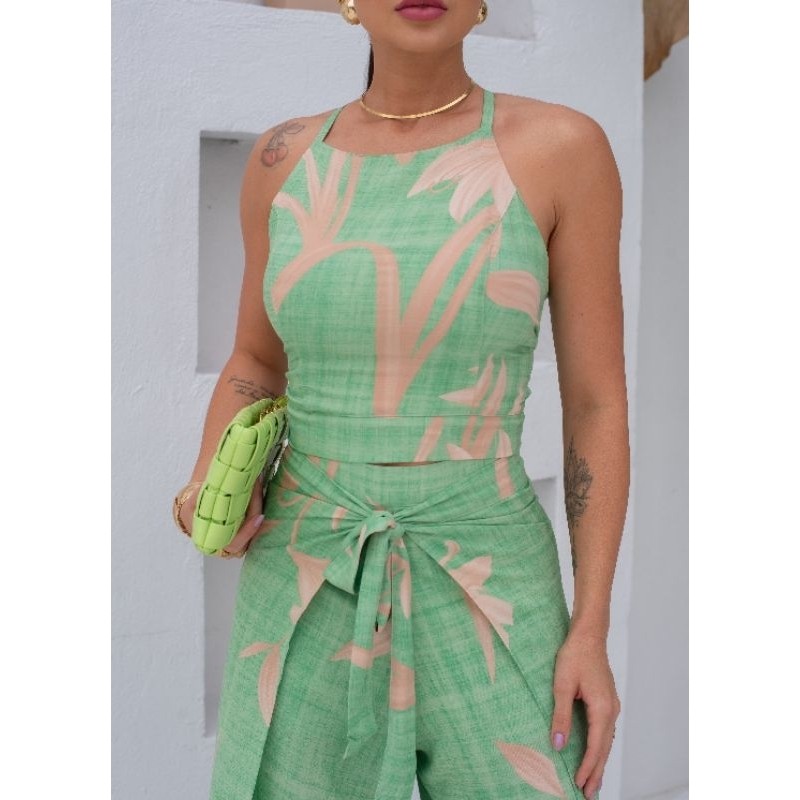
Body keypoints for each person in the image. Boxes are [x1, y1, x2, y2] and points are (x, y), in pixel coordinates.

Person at [173, 1, 627, 798]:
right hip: (304, 564)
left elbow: (595, 403)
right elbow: (257, 358)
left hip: (492, 567)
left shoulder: (562, 149)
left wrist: (590, 627)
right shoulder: (282, 159)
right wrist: (208, 480)